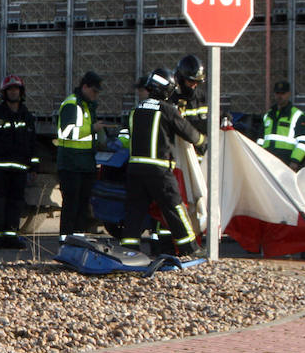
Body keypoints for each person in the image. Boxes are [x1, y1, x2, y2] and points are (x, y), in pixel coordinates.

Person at [121, 68, 207, 257]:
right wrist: (205, 143)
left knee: (134, 210)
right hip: (158, 169)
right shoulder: (166, 110)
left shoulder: (135, 110)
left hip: (134, 168)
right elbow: (187, 131)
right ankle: (190, 249)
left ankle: (129, 250)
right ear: (165, 90)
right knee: (174, 207)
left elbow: (126, 137)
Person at [0, 75, 39, 250]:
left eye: (16, 89)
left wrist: (34, 166)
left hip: (19, 170)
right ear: (5, 93)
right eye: (10, 89)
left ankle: (11, 237)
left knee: (15, 205)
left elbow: (32, 143)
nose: (14, 92)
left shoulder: (26, 115)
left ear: (21, 92)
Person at [56, 71, 111, 246]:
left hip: (85, 164)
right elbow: (65, 132)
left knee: (82, 204)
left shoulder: (87, 105)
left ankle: (78, 240)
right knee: (71, 204)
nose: (96, 95)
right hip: (71, 164)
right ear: (85, 86)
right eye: (94, 91)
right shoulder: (72, 104)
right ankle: (65, 240)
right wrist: (92, 129)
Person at [257, 81, 305, 171]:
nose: (280, 96)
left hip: (287, 162)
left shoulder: (297, 115)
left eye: (283, 93)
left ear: (289, 94)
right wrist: (259, 157)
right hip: (267, 162)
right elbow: (261, 139)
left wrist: (295, 161)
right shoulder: (268, 115)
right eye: (277, 93)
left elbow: (304, 142)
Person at [169, 54, 209, 137]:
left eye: (197, 82)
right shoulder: (171, 98)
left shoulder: (203, 98)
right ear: (181, 78)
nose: (194, 85)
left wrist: (222, 117)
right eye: (191, 81)